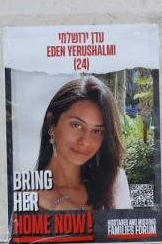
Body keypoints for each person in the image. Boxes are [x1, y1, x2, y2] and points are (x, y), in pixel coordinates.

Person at [34, 76, 132, 211]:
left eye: (97, 131)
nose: (85, 141)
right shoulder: (29, 195)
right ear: (52, 122)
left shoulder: (114, 184)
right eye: (76, 125)